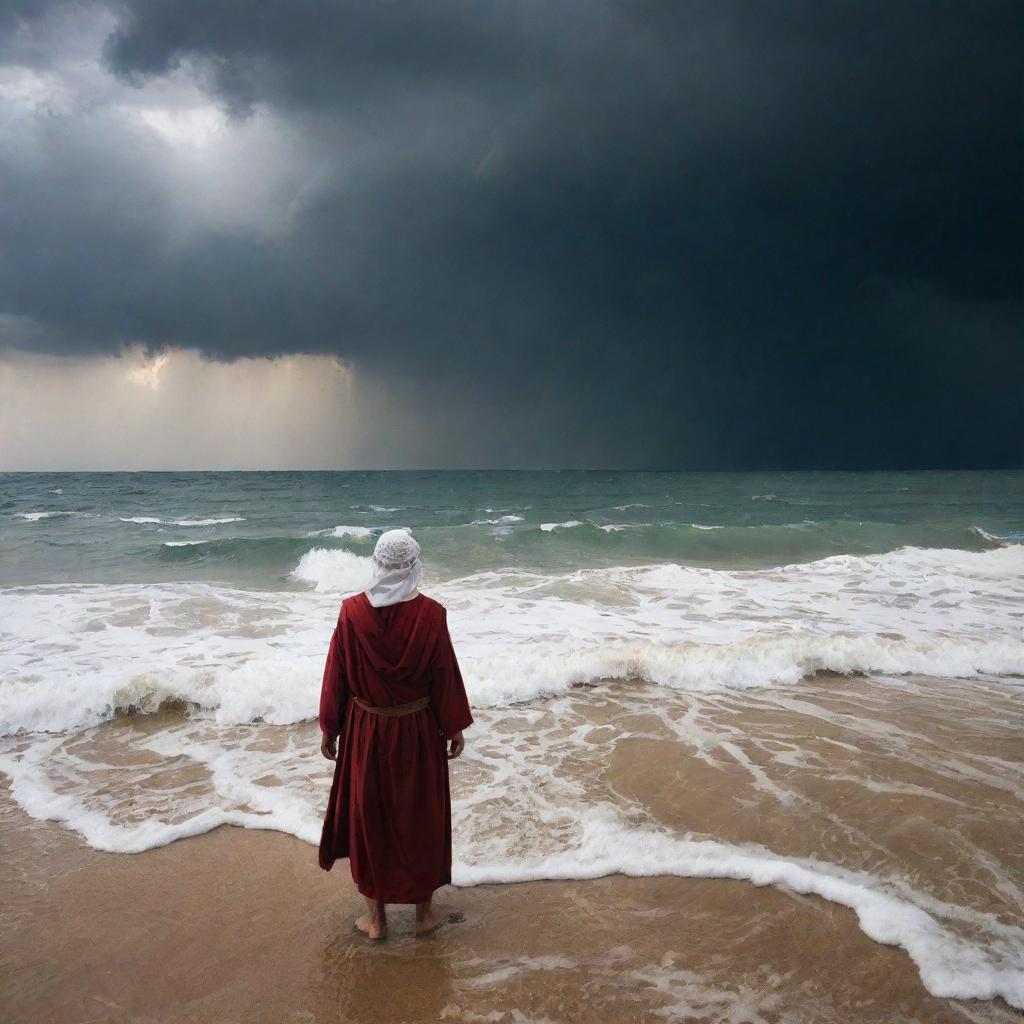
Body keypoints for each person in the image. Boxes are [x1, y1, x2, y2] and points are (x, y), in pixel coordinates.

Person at [318, 528, 474, 940]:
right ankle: (423, 917)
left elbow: (337, 673)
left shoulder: (351, 612)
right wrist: (453, 725)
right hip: (418, 730)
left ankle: (376, 920)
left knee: (370, 818)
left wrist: (329, 726)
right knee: (420, 816)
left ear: (378, 564)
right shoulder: (432, 614)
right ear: (413, 566)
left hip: (366, 730)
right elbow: (444, 675)